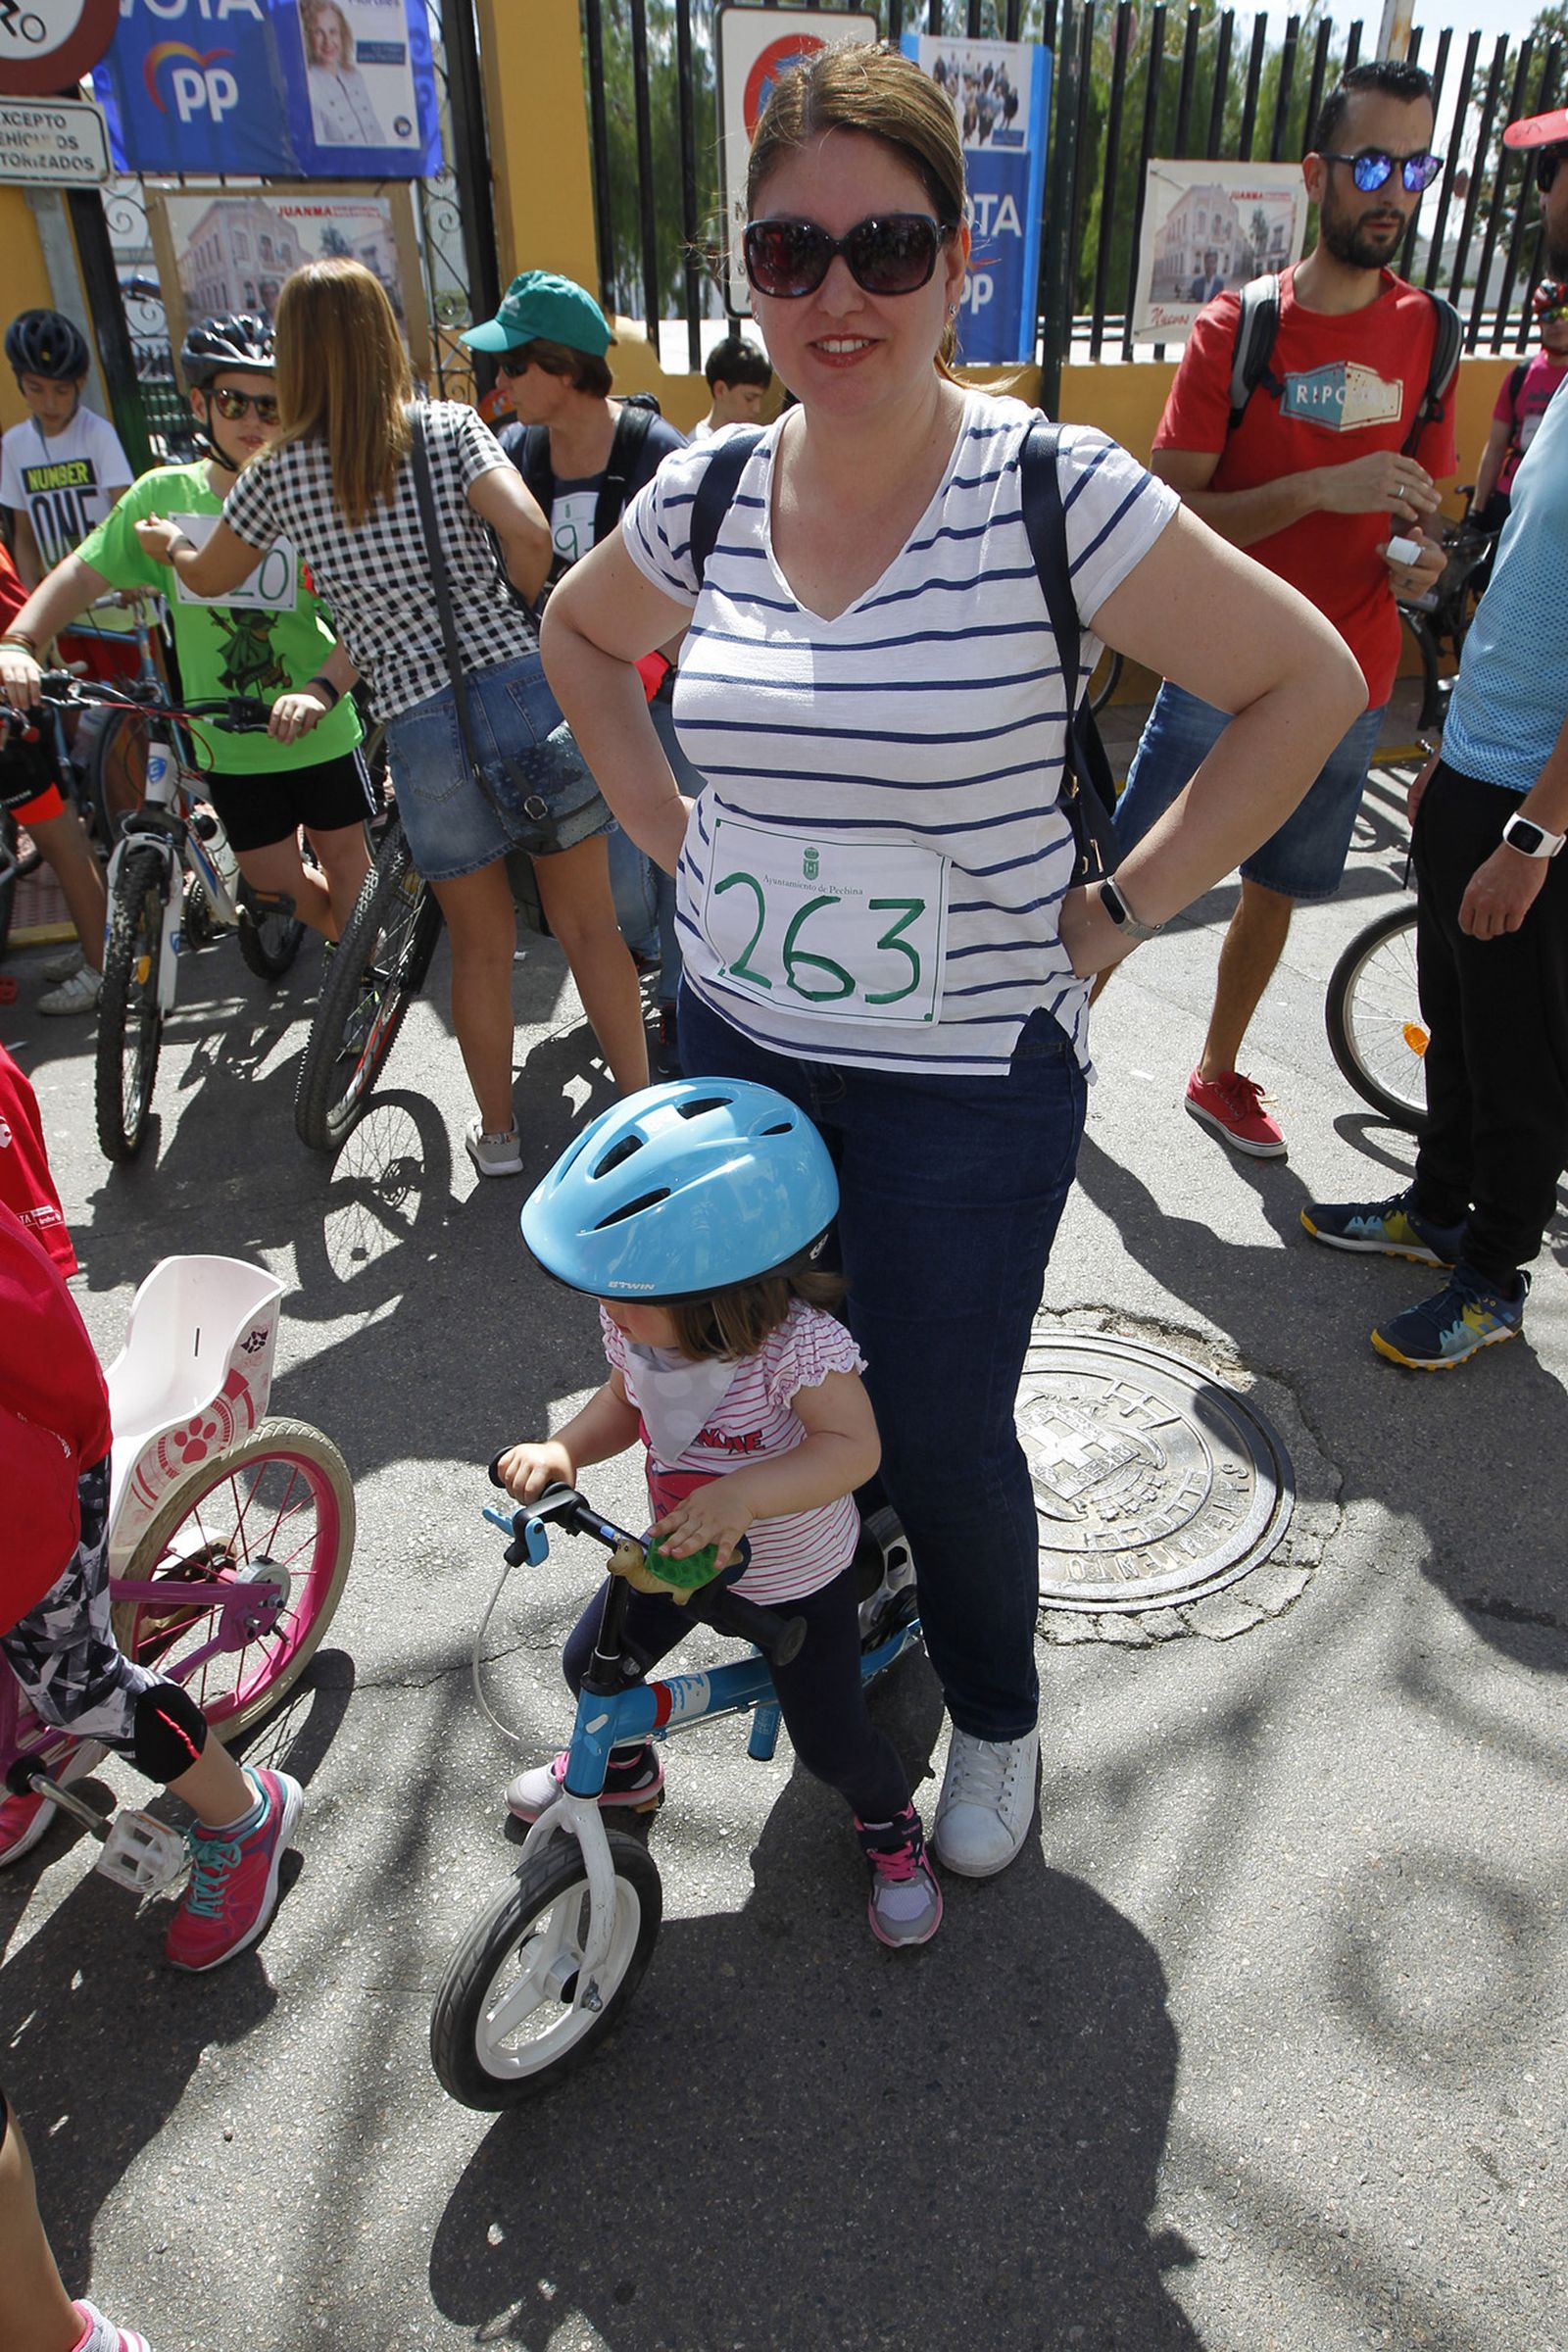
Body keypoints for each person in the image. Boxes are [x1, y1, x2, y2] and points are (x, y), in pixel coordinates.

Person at [539, 44, 1363, 1877]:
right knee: (741, 1370)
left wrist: (1123, 912)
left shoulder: (1052, 494)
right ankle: (800, 1616)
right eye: (791, 253)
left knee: (930, 1412)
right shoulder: (709, 495)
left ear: (959, 260)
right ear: (744, 272)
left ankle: (994, 1717)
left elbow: (1312, 685)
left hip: (962, 1081)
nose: (838, 294)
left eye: (886, 247)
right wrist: (670, 832)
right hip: (741, 1049)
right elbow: (580, 639)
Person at [132, 261, 647, 1177]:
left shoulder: (279, 471)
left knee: (480, 948)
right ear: (383, 337)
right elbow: (529, 535)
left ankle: (497, 1139)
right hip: (524, 690)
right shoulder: (449, 430)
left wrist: (171, 542)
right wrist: (530, 618)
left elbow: (208, 576)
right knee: (589, 929)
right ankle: (645, 1114)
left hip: (417, 727)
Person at [498, 1079, 943, 1948]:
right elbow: (627, 1400)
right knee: (590, 1661)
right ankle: (620, 1769)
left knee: (832, 1744)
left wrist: (743, 1494)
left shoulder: (797, 1349)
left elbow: (852, 1451)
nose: (608, 1310)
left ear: (719, 1287)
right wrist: (565, 1450)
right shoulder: (639, 1324)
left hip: (795, 1578)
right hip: (679, 1553)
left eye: (625, 1294)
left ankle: (892, 1828)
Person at [1111, 57, 1455, 1159]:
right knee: (1134, 883)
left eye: (1414, 163)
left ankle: (1215, 1072)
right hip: (1221, 664)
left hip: (1350, 672)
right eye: (1369, 162)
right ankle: (1043, 1051)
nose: (1390, 189)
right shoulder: (1239, 326)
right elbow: (1170, 513)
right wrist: (1316, 487)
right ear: (1318, 174)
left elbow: (1425, 509)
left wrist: (1420, 566)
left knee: (1273, 887)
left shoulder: (1431, 333)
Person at [1300, 100, 1568, 1371]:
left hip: (1538, 808)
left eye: (1561, 176)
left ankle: (1492, 1277)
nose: (1543, 200)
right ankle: (1434, 1209)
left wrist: (1531, 833)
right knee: (1451, 1025)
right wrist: (1452, 765)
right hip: (1482, 772)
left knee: (1517, 1061)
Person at [1, 315, 373, 960]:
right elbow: (82, 573)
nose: (251, 419)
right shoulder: (165, 495)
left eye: (270, 404)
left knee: (348, 863)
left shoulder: (314, 493)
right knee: (273, 883)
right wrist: (20, 640)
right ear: (201, 403)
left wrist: (322, 689)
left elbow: (367, 613)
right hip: (227, 739)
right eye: (233, 402)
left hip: (318, 726)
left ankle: (366, 978)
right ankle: (361, 955)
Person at [0, 1200, 301, 1962]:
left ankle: (244, 1815)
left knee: (78, 1679)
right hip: (27, 1421)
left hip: (29, 1461)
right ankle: (46, 1736)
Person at [463, 270, 693, 1068]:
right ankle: (640, 968)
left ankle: (675, 1007)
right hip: (561, 699)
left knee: (674, 856)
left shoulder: (660, 454)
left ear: (564, 368)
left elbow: (709, 587)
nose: (499, 383)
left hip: (662, 691)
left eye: (514, 366)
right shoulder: (516, 457)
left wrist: (653, 647)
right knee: (618, 883)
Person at [0, 535, 108, 1016]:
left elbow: (18, 625)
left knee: (61, 842)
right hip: (16, 715)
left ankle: (104, 965)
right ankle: (101, 952)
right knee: (65, 840)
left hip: (10, 721)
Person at [2, 311, 131, 595]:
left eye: (61, 391)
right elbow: (24, 535)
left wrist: (128, 581)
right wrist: (29, 598)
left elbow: (124, 515)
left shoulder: (98, 434)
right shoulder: (13, 445)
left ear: (80, 384)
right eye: (35, 389)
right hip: (59, 608)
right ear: (19, 381)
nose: (49, 403)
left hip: (114, 601)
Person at [1470, 273, 1568, 535]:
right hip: (1511, 496)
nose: (1557, 322)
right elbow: (1495, 447)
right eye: (1548, 315)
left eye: (1565, 313)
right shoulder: (1521, 376)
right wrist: (1477, 510)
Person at [301, 0, 383, 146]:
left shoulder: (354, 76)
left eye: (333, 31)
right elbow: (317, 149)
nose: (328, 41)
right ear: (307, 38)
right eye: (318, 32)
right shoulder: (308, 85)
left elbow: (376, 131)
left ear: (342, 34)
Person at [694, 333, 774, 437]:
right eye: (749, 398)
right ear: (721, 390)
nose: (757, 408)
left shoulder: (754, 440)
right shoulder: (697, 445)